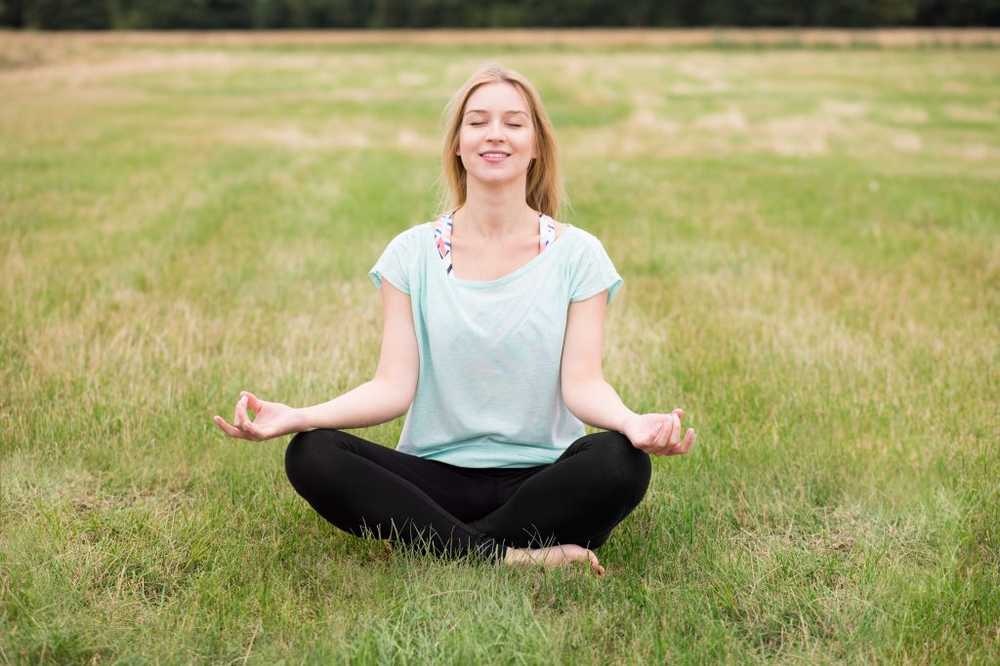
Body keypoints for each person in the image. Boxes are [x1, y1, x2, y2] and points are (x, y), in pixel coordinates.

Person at [213, 63, 695, 577]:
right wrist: (300, 415)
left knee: (621, 463)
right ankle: (508, 557)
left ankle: (439, 540)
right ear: (458, 145)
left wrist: (629, 423)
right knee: (311, 453)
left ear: (536, 146)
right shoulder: (411, 253)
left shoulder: (579, 255)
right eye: (477, 121)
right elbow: (393, 387)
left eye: (513, 122)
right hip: (434, 477)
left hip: (541, 480)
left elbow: (583, 384)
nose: (495, 134)